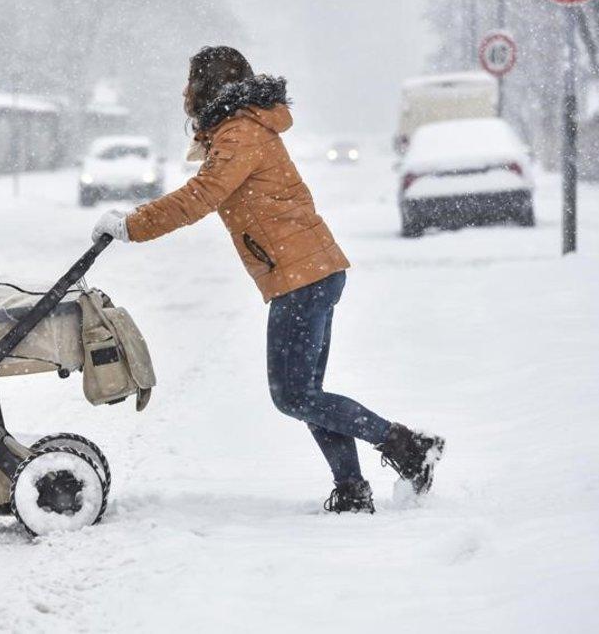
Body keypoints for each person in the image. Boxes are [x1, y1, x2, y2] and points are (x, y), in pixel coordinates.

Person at [91, 46, 444, 513]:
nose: (183, 90)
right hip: (310, 272)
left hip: (301, 277)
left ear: (207, 86)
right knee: (308, 395)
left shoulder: (239, 133)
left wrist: (130, 225)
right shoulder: (241, 127)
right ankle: (354, 489)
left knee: (293, 395)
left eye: (190, 81)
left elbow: (200, 196)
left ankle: (406, 445)